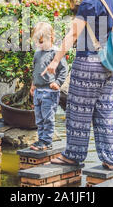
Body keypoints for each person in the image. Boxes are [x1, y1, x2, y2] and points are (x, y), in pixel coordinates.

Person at [41, 0, 113, 170]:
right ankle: (110, 158)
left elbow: (73, 33)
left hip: (88, 64)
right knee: (104, 111)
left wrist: (56, 60)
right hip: (107, 63)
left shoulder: (89, 2)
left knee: (77, 112)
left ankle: (73, 155)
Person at [29, 21, 68, 151]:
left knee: (48, 117)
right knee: (39, 118)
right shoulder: (37, 53)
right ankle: (41, 140)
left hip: (49, 92)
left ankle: (47, 141)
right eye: (36, 42)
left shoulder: (56, 53)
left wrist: (57, 83)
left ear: (51, 38)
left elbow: (63, 69)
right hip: (38, 91)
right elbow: (35, 70)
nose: (38, 45)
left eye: (41, 42)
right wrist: (33, 85)